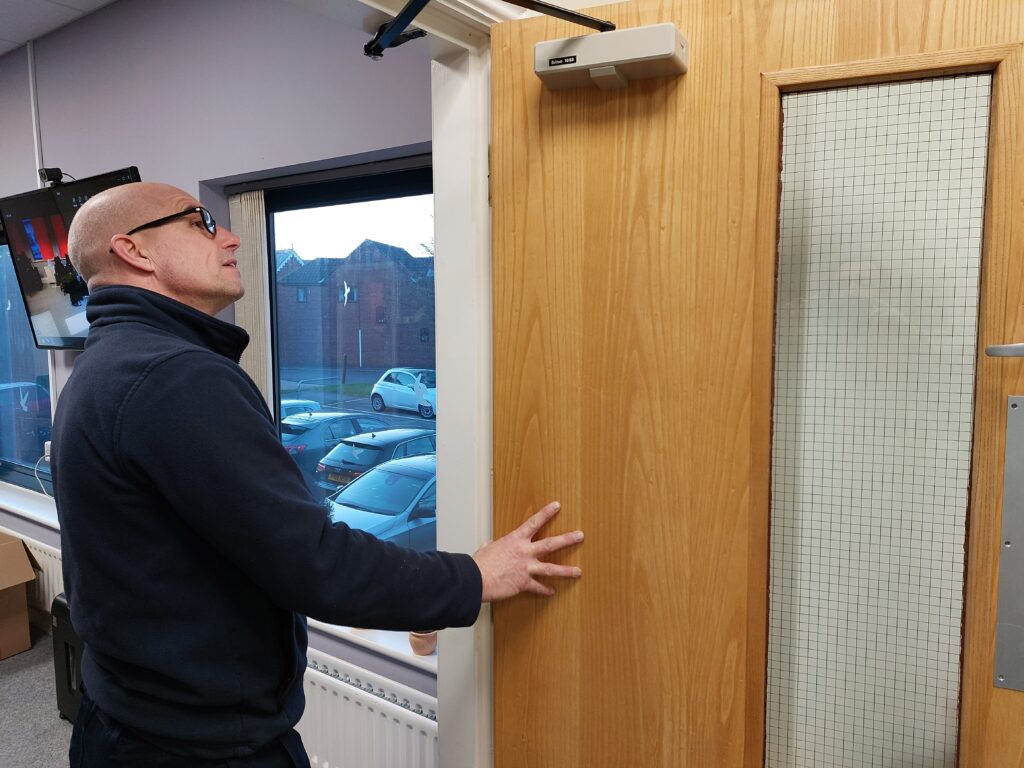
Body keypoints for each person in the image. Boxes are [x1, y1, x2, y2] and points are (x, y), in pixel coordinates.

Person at [52, 182, 583, 767]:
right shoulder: (175, 378)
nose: (229, 236)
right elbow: (316, 563)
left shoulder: (100, 367)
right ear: (136, 251)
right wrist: (474, 576)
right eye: (201, 221)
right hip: (196, 749)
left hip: (122, 718)